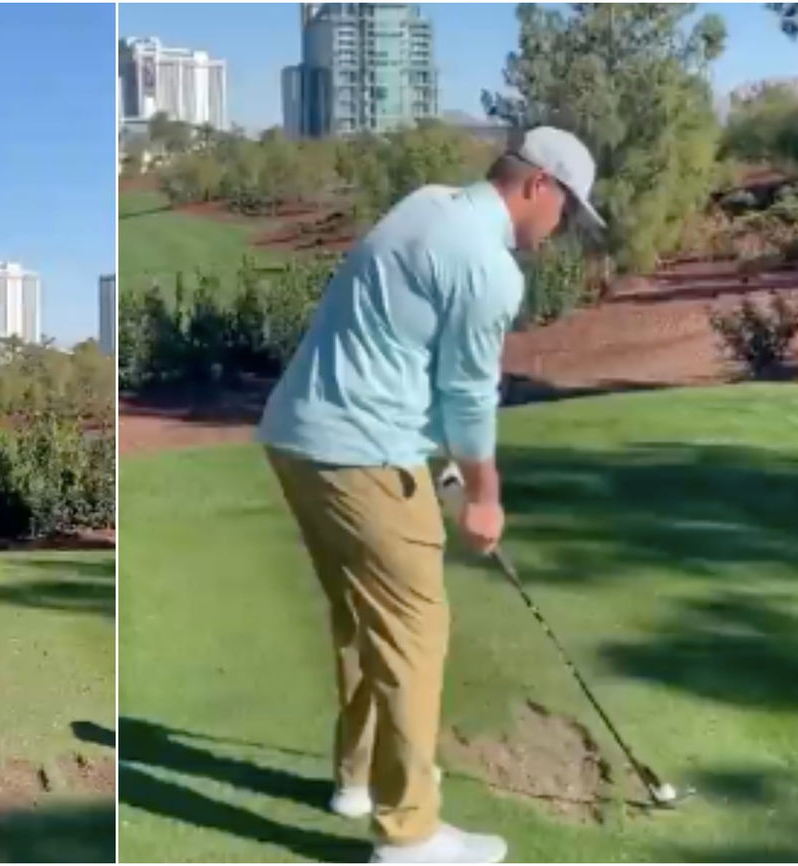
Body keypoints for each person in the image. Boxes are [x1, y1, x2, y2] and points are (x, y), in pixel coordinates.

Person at [256, 127, 604, 864]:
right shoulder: (490, 267)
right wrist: (483, 494)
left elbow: (396, 343)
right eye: (567, 211)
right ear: (538, 186)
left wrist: (431, 459)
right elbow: (468, 397)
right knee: (415, 635)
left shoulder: (425, 203)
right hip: (362, 451)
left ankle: (356, 778)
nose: (561, 228)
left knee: (358, 615)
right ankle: (408, 833)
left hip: (296, 435)